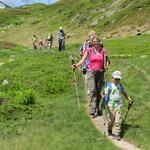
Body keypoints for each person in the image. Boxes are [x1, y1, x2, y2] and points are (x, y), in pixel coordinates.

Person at [72, 36, 109, 118]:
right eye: (94, 42)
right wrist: (76, 65)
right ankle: (92, 109)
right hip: (91, 71)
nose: (95, 43)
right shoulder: (89, 50)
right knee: (92, 90)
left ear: (99, 42)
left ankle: (98, 107)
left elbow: (105, 60)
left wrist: (105, 66)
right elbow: (83, 59)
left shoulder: (103, 50)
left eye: (97, 41)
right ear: (92, 43)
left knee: (99, 91)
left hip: (100, 72)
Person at [104, 71, 133, 141]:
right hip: (111, 105)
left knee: (118, 120)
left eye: (118, 79)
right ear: (112, 78)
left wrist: (129, 98)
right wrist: (103, 95)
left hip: (119, 105)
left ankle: (117, 133)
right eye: (115, 79)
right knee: (111, 120)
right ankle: (109, 128)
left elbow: (124, 93)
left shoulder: (121, 86)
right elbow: (105, 93)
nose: (117, 80)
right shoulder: (109, 86)